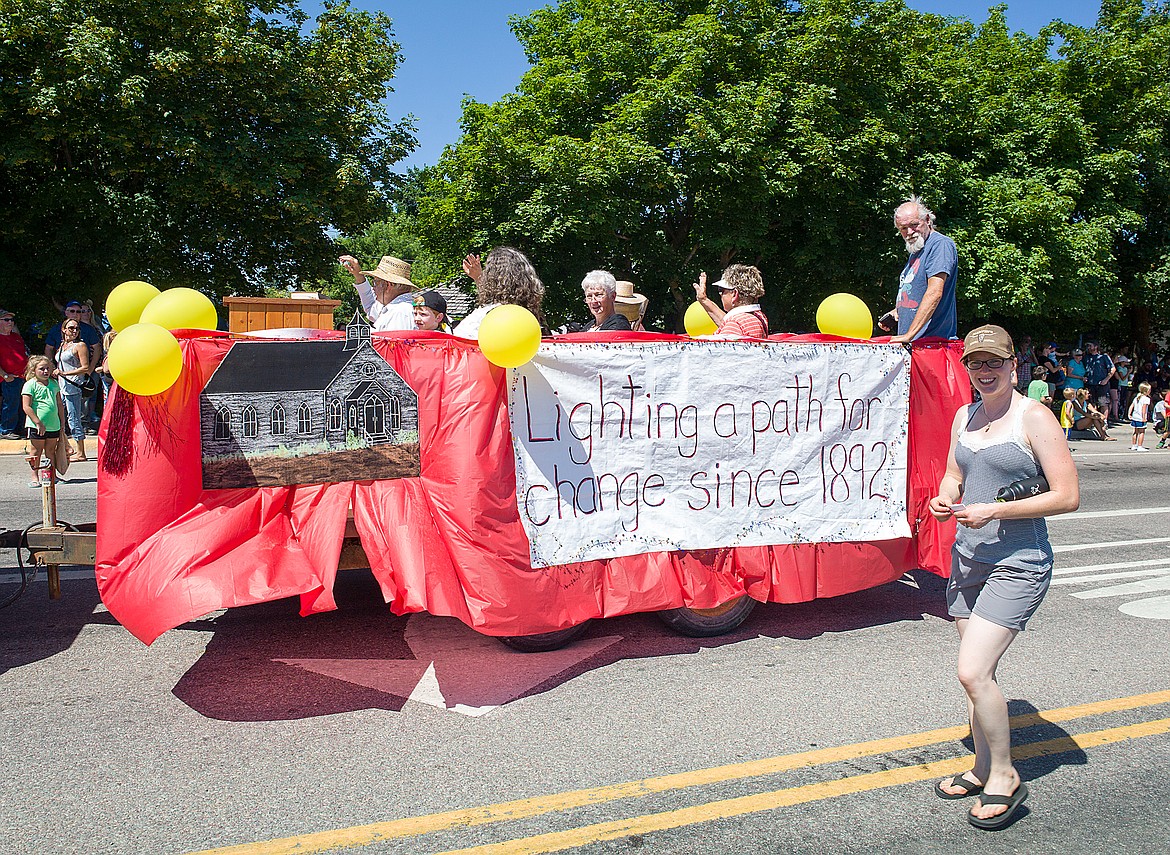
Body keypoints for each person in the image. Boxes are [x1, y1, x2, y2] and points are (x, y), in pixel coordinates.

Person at [929, 324, 1078, 831]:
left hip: (1018, 562)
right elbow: (954, 473)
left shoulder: (1032, 416)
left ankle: (1006, 776)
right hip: (969, 557)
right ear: (967, 367)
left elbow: (1066, 495)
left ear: (1014, 364)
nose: (985, 371)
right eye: (976, 363)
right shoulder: (964, 415)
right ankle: (981, 766)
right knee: (980, 679)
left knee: (972, 672)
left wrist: (996, 511)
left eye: (994, 362)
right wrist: (946, 496)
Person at [888, 196, 958, 343]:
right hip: (914, 345)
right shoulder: (917, 251)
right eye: (903, 228)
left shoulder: (940, 245)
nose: (909, 232)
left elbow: (934, 292)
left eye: (914, 225)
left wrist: (909, 335)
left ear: (927, 220)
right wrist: (898, 312)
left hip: (931, 345)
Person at [454, 247, 546, 338]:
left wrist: (479, 278)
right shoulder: (533, 320)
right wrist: (478, 278)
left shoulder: (479, 321)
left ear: (491, 278)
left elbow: (461, 338)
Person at [338, 254, 416, 331]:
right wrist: (358, 275)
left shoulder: (400, 313)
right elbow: (371, 307)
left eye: (375, 283)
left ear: (388, 285)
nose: (374, 288)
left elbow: (394, 343)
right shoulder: (396, 308)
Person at [21, 356, 66, 488]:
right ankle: (34, 476)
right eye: (42, 369)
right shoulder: (30, 385)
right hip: (37, 425)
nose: (46, 371)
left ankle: (51, 474)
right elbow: (26, 406)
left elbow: (59, 403)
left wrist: (62, 421)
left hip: (53, 424)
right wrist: (37, 422)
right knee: (36, 451)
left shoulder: (53, 384)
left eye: (48, 369)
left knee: (51, 450)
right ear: (34, 370)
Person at [692, 265, 769, 337]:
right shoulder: (759, 317)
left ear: (734, 294)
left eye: (721, 290)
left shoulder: (734, 325)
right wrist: (704, 300)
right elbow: (730, 322)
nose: (720, 294)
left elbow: (722, 349)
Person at [53, 317, 91, 461]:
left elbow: (85, 367)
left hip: (73, 386)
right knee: (59, 417)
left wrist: (64, 373)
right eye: (71, 328)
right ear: (64, 330)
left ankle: (81, 452)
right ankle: (68, 447)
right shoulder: (63, 345)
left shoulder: (80, 345)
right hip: (62, 386)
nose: (74, 331)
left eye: (76, 328)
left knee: (74, 418)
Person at [44, 300, 103, 366]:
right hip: (61, 369)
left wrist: (91, 367)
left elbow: (97, 348)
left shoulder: (88, 329)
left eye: (78, 311)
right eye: (72, 311)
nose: (75, 314)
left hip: (83, 369)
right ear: (66, 313)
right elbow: (49, 348)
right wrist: (51, 366)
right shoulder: (56, 329)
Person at [0, 309, 30, 439]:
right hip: (8, 378)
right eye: (6, 320)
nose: (10, 322)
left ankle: (20, 428)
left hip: (22, 377)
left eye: (11, 320)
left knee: (22, 404)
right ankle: (6, 430)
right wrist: (5, 376)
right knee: (11, 403)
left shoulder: (16, 337)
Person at [1083, 341, 1114, 419]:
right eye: (1088, 346)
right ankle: (1093, 421)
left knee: (1103, 403)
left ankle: (1104, 421)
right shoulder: (1086, 357)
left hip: (1101, 384)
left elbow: (1112, 369)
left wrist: (1106, 379)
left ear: (1096, 347)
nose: (1089, 348)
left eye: (1090, 346)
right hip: (1090, 383)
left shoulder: (1103, 357)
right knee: (1091, 403)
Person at [1128, 382, 1152, 451]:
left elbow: (1131, 406)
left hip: (1135, 416)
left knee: (1135, 432)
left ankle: (1134, 445)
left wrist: (1129, 414)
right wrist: (1144, 417)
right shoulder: (1146, 399)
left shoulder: (1137, 397)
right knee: (1142, 432)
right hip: (1140, 417)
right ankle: (1140, 446)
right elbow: (1144, 409)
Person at [1115, 355, 1133, 423]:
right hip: (1121, 385)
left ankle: (1123, 415)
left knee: (1124, 400)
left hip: (1125, 385)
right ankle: (1120, 414)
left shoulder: (1125, 368)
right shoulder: (1120, 368)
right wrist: (1128, 372)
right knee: (1120, 400)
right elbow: (1123, 378)